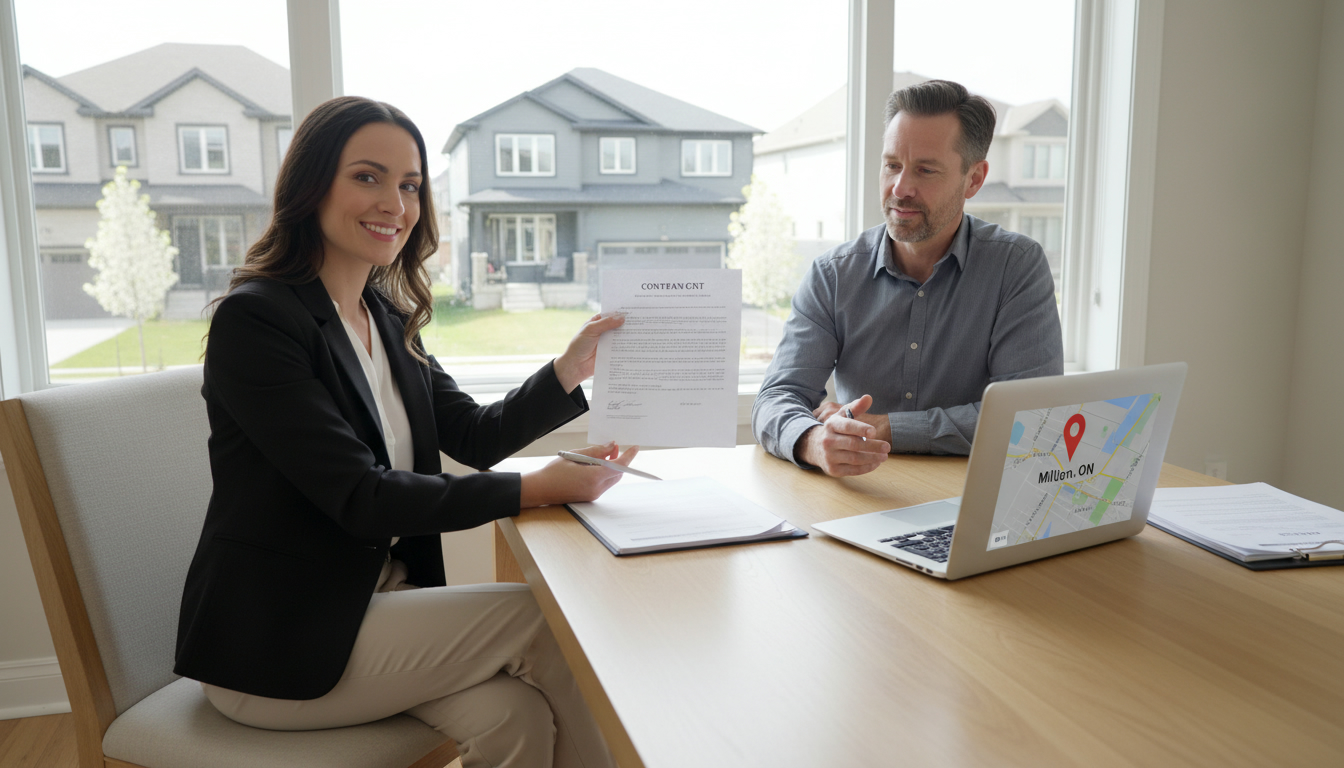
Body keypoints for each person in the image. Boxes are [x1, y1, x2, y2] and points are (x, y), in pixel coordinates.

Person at [174, 96, 625, 768]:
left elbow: (470, 432)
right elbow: (364, 497)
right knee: (541, 616)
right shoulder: (258, 321)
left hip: (376, 609)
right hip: (277, 642)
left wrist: (569, 368)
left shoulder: (380, 315)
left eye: (409, 185)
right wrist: (533, 488)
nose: (395, 202)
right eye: (367, 177)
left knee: (517, 715)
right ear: (311, 185)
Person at [752, 80, 1063, 477]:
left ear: (974, 179)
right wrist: (813, 441)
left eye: (925, 170)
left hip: (971, 500)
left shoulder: (1015, 267)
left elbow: (1032, 416)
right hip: (861, 494)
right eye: (892, 165)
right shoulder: (832, 275)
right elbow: (777, 397)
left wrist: (888, 429)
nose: (900, 188)